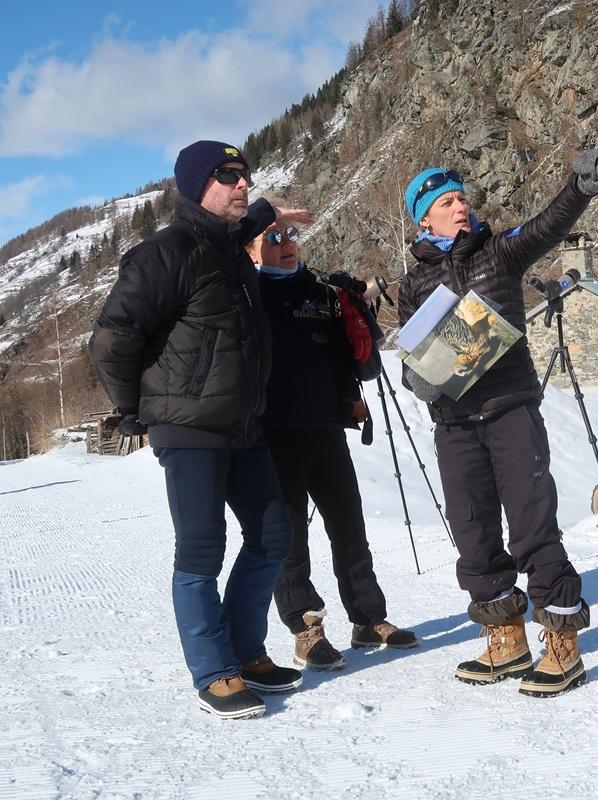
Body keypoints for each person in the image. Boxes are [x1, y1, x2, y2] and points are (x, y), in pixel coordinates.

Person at [90, 140, 310, 719]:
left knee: (272, 538)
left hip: (242, 424)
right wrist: (133, 408)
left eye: (245, 174)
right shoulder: (166, 253)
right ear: (196, 186)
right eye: (228, 175)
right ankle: (213, 671)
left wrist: (273, 212)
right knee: (201, 551)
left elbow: (246, 220)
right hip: (188, 427)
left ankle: (245, 652)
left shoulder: (229, 247)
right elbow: (112, 337)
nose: (242, 184)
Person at [394, 145, 598, 698]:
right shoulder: (412, 284)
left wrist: (580, 188)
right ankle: (507, 639)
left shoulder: (499, 251)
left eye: (461, 197)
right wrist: (418, 378)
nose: (460, 206)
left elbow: (546, 227)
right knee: (472, 532)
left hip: (510, 410)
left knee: (532, 524)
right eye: (446, 202)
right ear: (423, 217)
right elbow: (413, 353)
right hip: (454, 423)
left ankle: (561, 642)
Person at [247, 215, 419, 671]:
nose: (286, 244)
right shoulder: (247, 293)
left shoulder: (324, 293)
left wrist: (359, 314)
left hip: (327, 427)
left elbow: (366, 366)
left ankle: (368, 619)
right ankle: (305, 627)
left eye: (291, 236)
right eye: (273, 237)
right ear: (250, 250)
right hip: (274, 432)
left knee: (349, 528)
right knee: (290, 537)